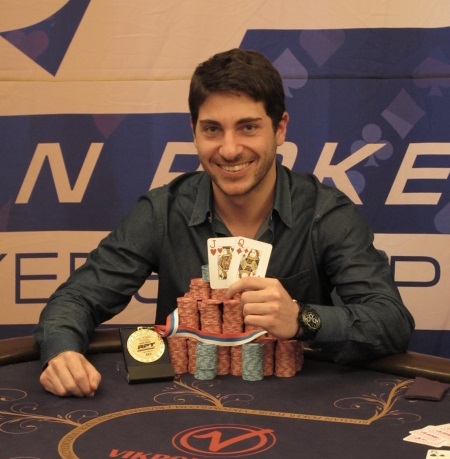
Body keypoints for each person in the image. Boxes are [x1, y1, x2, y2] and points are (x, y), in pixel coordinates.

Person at [34, 48, 415, 397]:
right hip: (182, 404)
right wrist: (63, 353)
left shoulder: (325, 213)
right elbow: (76, 299)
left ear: (280, 128)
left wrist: (302, 318)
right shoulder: (162, 210)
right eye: (212, 129)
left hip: (298, 404)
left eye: (248, 127)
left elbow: (391, 321)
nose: (229, 149)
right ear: (194, 131)